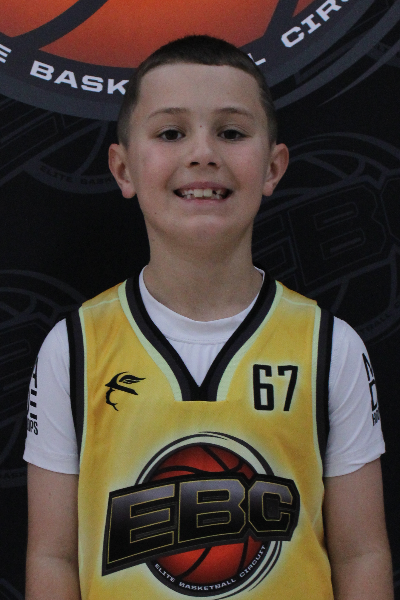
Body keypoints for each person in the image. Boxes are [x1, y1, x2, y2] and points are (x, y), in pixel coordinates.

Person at [24, 35, 393, 600]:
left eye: (232, 133)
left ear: (273, 167)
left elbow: (361, 553)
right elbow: (52, 557)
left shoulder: (328, 345)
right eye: (171, 133)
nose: (202, 153)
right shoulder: (74, 347)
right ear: (123, 168)